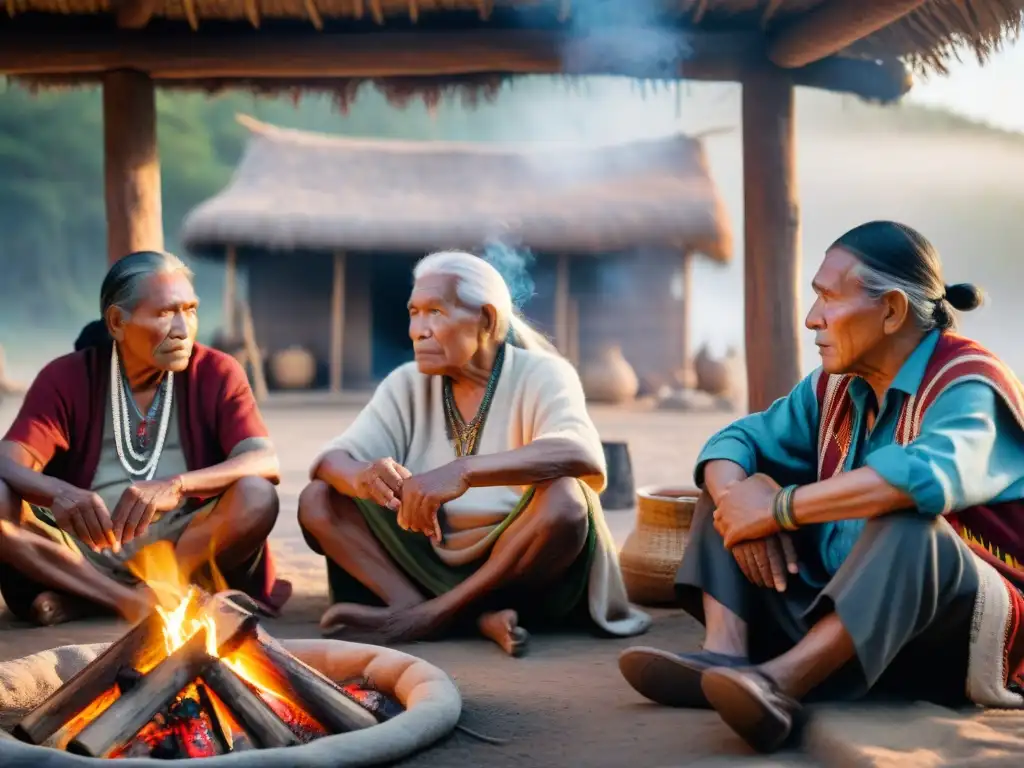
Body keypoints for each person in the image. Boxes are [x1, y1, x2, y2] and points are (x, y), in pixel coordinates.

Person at [618, 221, 1024, 753]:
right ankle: (726, 654)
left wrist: (779, 509)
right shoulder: (835, 383)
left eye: (828, 299)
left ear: (892, 311)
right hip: (838, 611)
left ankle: (780, 683)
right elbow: (732, 440)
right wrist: (744, 502)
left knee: (909, 522)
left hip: (948, 636)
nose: (812, 319)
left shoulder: (970, 384)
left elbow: (925, 477)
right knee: (730, 486)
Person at [298, 250, 650, 656]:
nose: (418, 330)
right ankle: (429, 609)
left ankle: (435, 616)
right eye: (414, 312)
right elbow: (330, 460)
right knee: (320, 498)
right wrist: (363, 476)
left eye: (435, 312)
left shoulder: (543, 373)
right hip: (430, 556)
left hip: (520, 563)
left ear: (485, 319)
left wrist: (463, 471)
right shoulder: (406, 383)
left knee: (566, 502)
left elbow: (581, 451)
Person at [0, 251, 291, 626]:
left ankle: (115, 596)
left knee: (257, 494)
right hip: (81, 547)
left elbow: (264, 460)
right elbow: (7, 460)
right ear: (118, 322)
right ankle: (125, 600)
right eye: (165, 313)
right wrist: (59, 492)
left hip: (181, 546)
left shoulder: (217, 371)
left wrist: (177, 485)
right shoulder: (67, 377)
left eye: (191, 310)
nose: (183, 329)